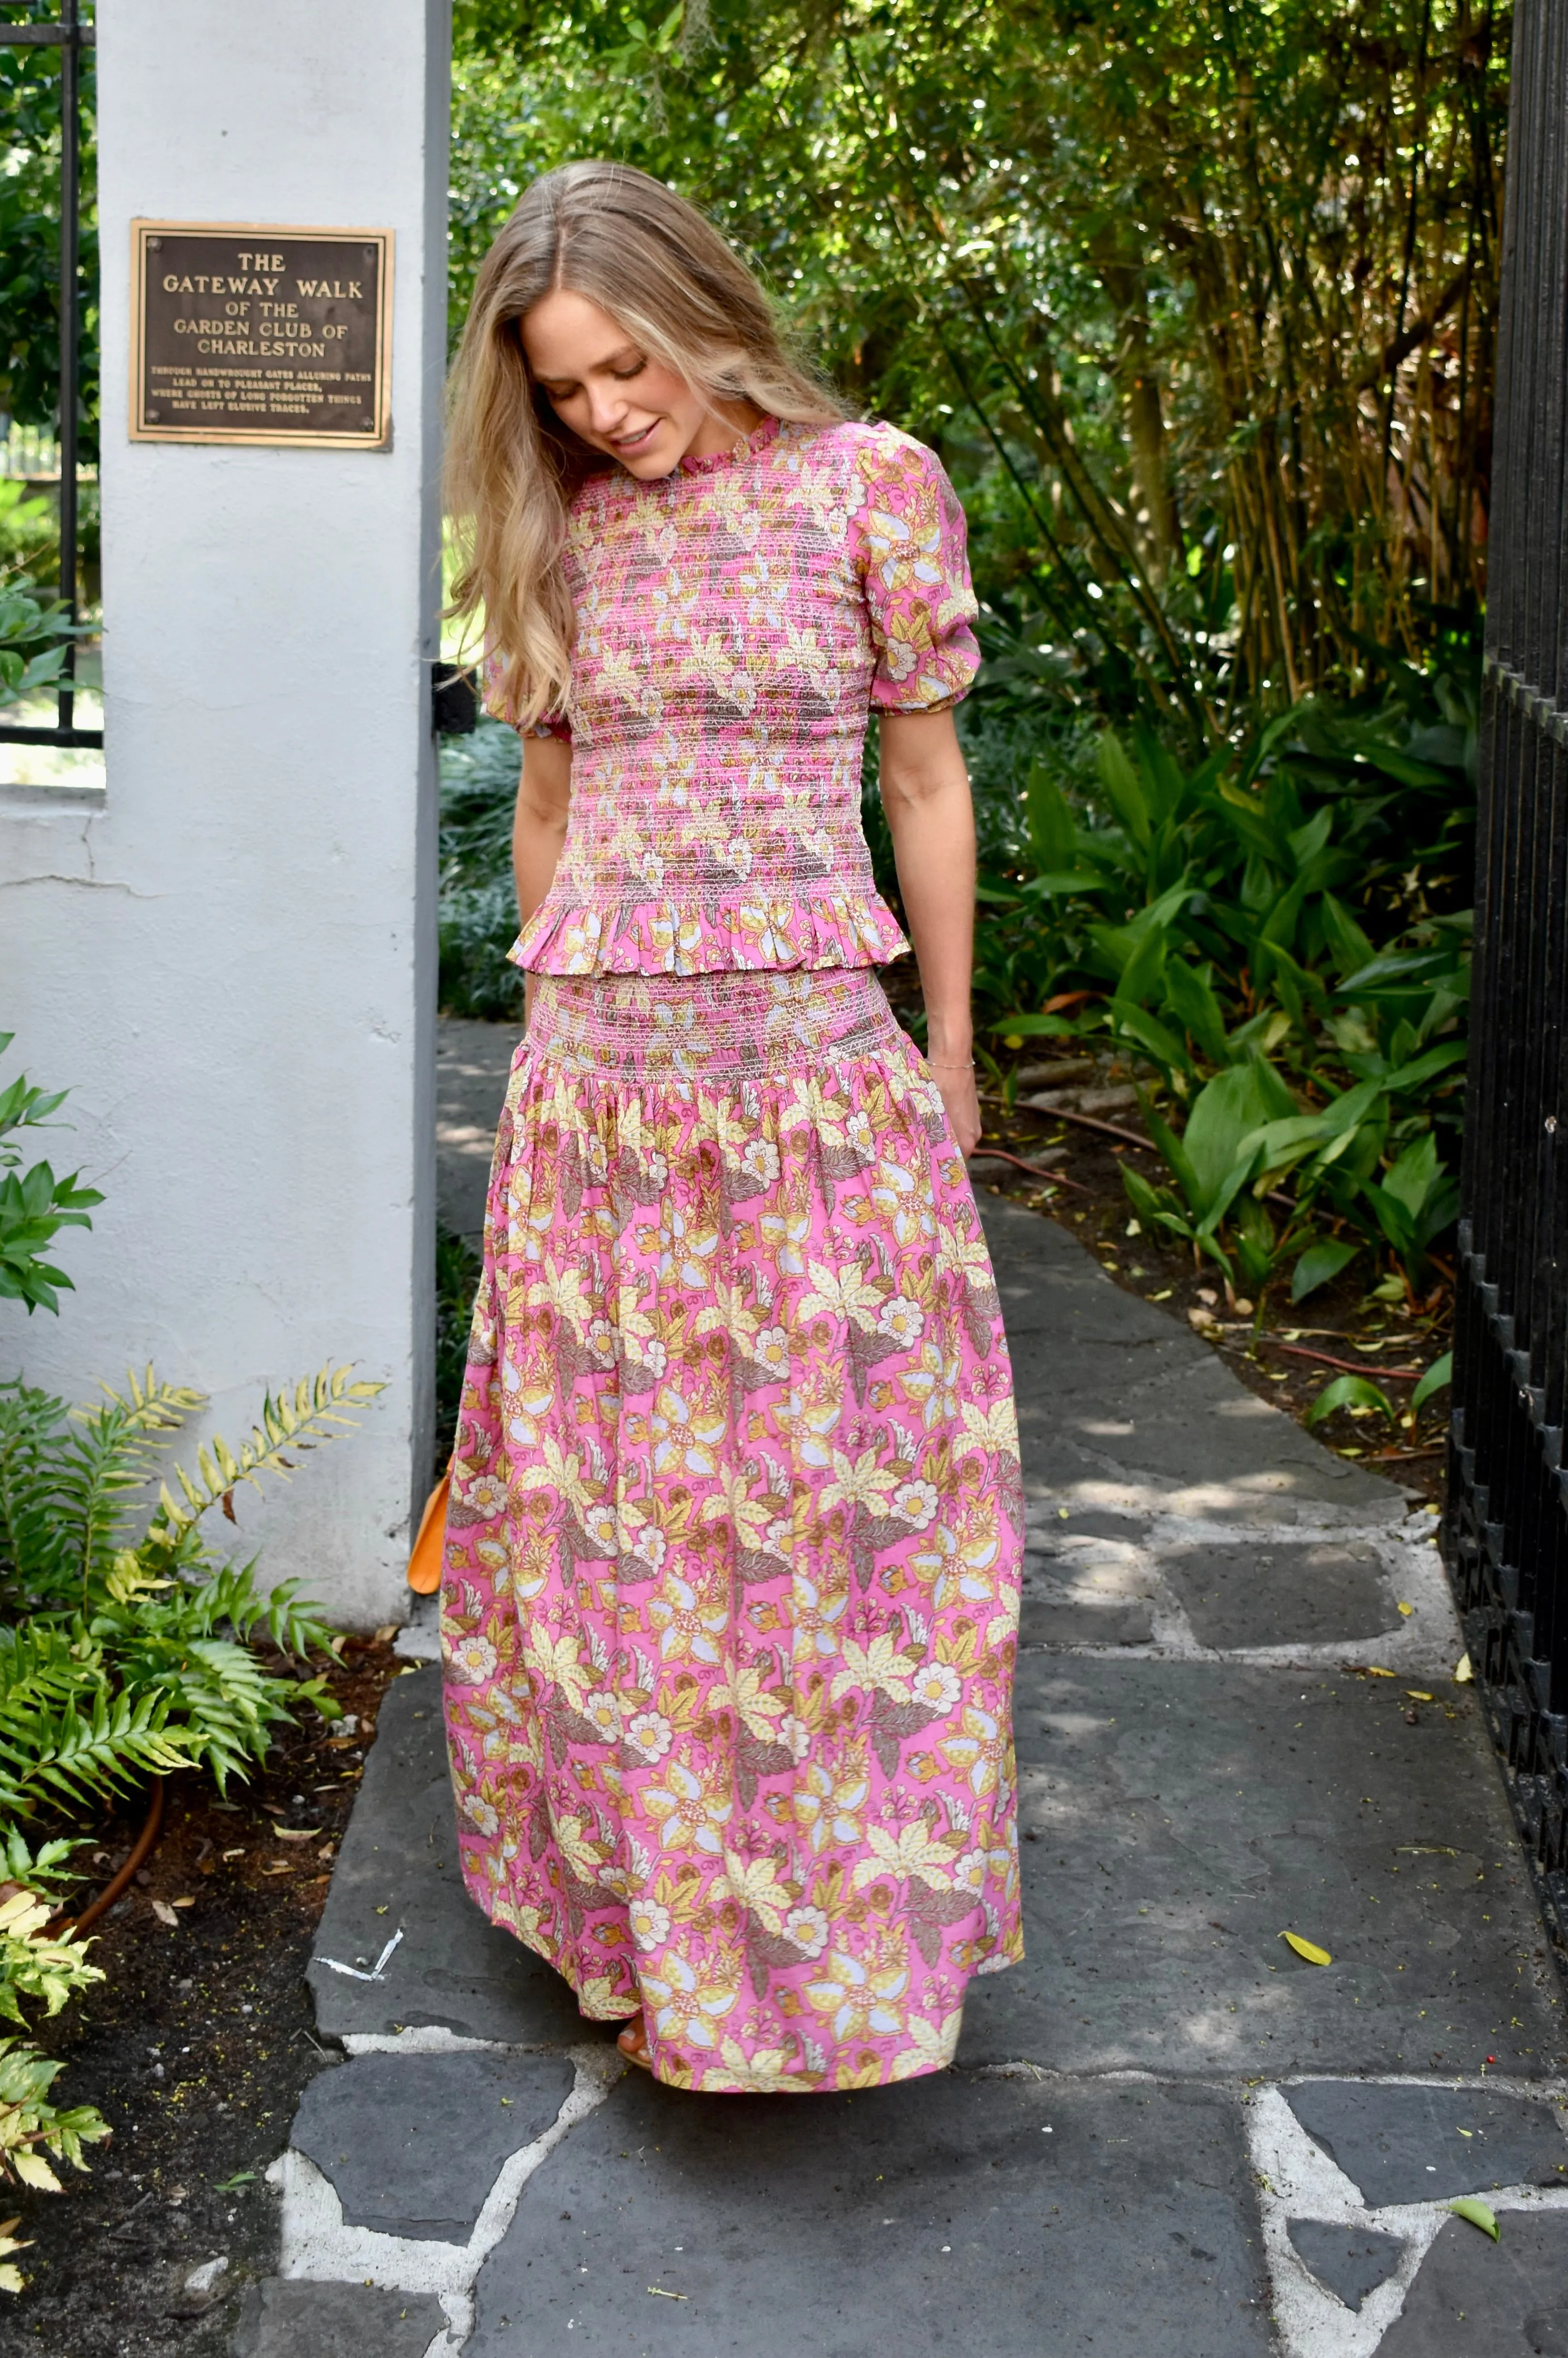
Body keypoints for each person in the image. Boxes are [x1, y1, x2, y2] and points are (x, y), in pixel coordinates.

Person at [437, 161, 1022, 2094]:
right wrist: (542, 1042)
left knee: (838, 1521)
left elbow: (923, 783)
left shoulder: (869, 484)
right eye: (565, 388)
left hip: (809, 1090)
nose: (605, 410)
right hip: (601, 1100)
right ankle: (631, 1927)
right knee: (619, 1540)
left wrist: (945, 1049)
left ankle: (834, 1957)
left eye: (623, 365)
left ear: (700, 307)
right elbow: (546, 810)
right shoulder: (563, 535)